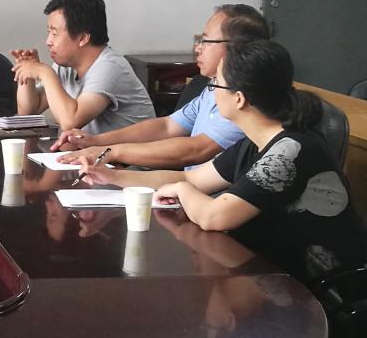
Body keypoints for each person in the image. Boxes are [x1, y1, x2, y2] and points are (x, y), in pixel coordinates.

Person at [80, 39, 366, 284]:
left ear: (239, 99)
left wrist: (181, 191)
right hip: (271, 271)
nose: (210, 91)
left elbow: (214, 216)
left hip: (320, 287)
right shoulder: (255, 142)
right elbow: (191, 178)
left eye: (215, 84)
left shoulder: (290, 151)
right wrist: (113, 177)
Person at [54, 4, 270, 169]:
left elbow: (196, 149)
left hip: (214, 198)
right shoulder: (213, 87)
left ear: (236, 48)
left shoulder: (243, 101)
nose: (198, 48)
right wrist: (95, 141)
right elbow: (167, 126)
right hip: (192, 186)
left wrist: (111, 152)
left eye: (205, 41)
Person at [12, 0, 154, 133]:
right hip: (91, 147)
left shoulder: (110, 68)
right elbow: (28, 112)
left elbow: (70, 122)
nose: (48, 41)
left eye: (54, 33)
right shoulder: (66, 66)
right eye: (48, 32)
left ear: (83, 38)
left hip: (131, 148)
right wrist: (27, 77)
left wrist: (45, 72)